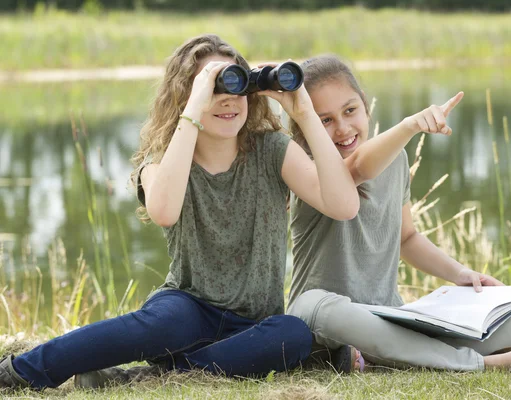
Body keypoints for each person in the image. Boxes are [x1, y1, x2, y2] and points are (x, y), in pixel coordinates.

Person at [0, 36, 360, 390]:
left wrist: (305, 114)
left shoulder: (272, 151)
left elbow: (344, 206)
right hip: (184, 312)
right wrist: (193, 110)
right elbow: (164, 212)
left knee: (291, 333)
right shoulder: (164, 161)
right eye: (214, 88)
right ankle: (20, 370)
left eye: (236, 85)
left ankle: (148, 376)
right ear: (185, 97)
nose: (228, 100)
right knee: (169, 324)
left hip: (252, 325)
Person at [287, 55, 511, 374]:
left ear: (365, 105)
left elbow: (407, 238)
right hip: (321, 318)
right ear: (307, 125)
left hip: (386, 316)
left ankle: (378, 357)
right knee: (325, 311)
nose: (342, 128)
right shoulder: (308, 169)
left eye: (350, 110)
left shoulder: (395, 160)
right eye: (325, 120)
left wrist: (460, 273)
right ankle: (477, 364)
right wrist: (410, 125)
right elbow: (358, 167)